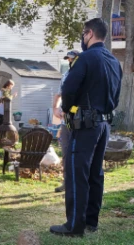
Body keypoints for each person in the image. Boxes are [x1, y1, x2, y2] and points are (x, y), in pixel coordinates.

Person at [50, 18, 123, 237]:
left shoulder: (86, 58)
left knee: (76, 172)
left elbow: (69, 87)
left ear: (90, 33)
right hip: (104, 124)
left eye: (84, 34)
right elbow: (116, 95)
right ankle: (91, 221)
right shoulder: (113, 61)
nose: (82, 38)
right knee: (95, 173)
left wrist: (67, 108)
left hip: (85, 124)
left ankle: (74, 226)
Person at [53, 49, 80, 193]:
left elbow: (80, 101)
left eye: (72, 59)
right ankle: (66, 183)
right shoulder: (65, 75)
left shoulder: (82, 75)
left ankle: (76, 186)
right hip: (65, 123)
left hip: (78, 123)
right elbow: (58, 95)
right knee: (65, 153)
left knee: (78, 155)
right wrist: (55, 109)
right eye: (68, 59)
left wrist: (70, 110)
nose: (70, 61)